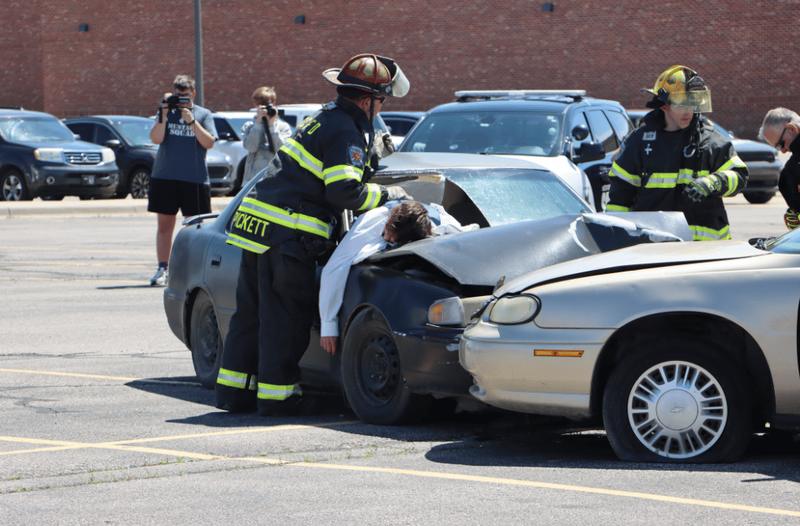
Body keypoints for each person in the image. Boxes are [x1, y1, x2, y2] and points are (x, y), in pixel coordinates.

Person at [215, 54, 411, 416]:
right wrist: (389, 195)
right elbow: (344, 193)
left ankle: (233, 394)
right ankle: (279, 400)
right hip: (288, 235)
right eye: (382, 101)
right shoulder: (346, 132)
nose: (381, 108)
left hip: (257, 228)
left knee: (251, 316)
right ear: (368, 100)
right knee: (283, 321)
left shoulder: (324, 118)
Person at [606, 65, 748, 241]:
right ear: (664, 106)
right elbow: (620, 197)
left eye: (693, 103)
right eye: (682, 103)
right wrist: (615, 238)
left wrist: (712, 182)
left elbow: (739, 176)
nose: (688, 111)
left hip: (706, 251)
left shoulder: (710, 139)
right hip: (654, 247)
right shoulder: (639, 142)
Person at [319, 200, 477, 355]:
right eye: (386, 233)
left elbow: (472, 238)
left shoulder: (444, 225)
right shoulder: (373, 222)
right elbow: (335, 266)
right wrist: (328, 325)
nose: (386, 238)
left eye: (391, 238)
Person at [147, 74, 217, 285]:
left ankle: (193, 271)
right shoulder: (166, 112)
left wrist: (192, 121)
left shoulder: (203, 114)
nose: (182, 100)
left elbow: (209, 142)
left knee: (196, 228)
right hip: (165, 177)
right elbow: (156, 138)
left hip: (194, 179)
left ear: (193, 94)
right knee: (164, 225)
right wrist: (164, 112)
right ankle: (163, 268)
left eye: (185, 96)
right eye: (178, 96)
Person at [241, 86, 292, 185]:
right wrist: (258, 124)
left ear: (274, 103)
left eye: (267, 104)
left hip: (276, 179)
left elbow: (281, 150)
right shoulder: (249, 127)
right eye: (260, 104)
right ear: (255, 105)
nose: (265, 108)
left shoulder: (283, 127)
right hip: (253, 180)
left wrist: (272, 126)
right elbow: (251, 148)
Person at [758, 108, 800, 230]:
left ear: (792, 128)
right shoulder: (790, 172)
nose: (783, 150)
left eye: (781, 144)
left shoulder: (793, 168)